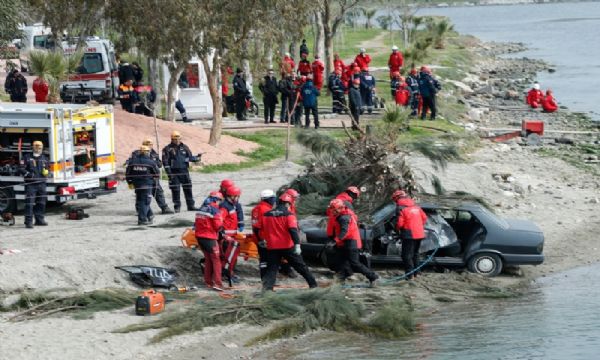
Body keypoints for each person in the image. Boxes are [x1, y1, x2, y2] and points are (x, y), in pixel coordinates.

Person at [259, 193, 318, 291]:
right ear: (288, 204)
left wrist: (263, 240)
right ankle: (313, 284)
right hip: (287, 246)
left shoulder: (266, 215)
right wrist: (297, 245)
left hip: (272, 247)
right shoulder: (289, 215)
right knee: (301, 267)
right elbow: (293, 230)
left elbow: (260, 229)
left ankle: (267, 290)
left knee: (272, 270)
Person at [327, 199, 379, 286]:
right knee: (342, 261)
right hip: (347, 242)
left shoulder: (343, 218)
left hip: (350, 242)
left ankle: (373, 277)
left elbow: (345, 232)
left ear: (339, 209)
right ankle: (341, 278)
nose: (332, 211)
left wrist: (335, 241)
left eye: (333, 209)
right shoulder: (345, 215)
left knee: (354, 263)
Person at [130, 138, 174, 214]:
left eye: (150, 145)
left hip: (153, 177)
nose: (149, 146)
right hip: (142, 178)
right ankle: (140, 210)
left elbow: (159, 164)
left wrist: (154, 163)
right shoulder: (136, 153)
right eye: (147, 145)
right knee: (141, 195)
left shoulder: (154, 153)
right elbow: (133, 163)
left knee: (159, 192)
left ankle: (164, 207)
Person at [393, 190, 428, 280]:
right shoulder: (416, 207)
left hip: (409, 234)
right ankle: (417, 273)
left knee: (406, 255)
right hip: (420, 233)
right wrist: (418, 226)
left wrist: (396, 229)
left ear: (397, 198)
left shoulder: (400, 208)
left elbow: (400, 223)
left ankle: (410, 275)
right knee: (415, 253)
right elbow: (424, 218)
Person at [162, 131, 199, 212]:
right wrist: (169, 173)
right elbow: (165, 162)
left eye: (179, 138)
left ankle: (191, 205)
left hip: (184, 171)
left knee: (188, 188)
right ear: (172, 139)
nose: (177, 140)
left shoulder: (185, 147)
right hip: (174, 172)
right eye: (175, 139)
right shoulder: (167, 149)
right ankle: (177, 207)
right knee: (175, 190)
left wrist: (196, 158)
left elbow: (189, 157)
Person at [195, 191, 225, 290]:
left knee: (208, 259)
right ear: (217, 200)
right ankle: (218, 283)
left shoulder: (201, 208)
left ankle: (208, 282)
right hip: (209, 238)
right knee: (216, 260)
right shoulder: (214, 209)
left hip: (199, 237)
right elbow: (218, 226)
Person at [126, 145, 159, 225]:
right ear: (147, 152)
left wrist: (130, 183)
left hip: (137, 185)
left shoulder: (132, 162)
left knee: (141, 201)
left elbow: (127, 174)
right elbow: (157, 174)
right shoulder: (151, 162)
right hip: (147, 185)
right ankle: (142, 219)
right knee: (146, 202)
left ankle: (150, 215)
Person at [20, 141, 49, 228]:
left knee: (41, 203)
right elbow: (21, 169)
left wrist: (47, 172)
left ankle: (39, 220)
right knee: (29, 203)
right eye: (36, 147)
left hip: (42, 183)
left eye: (40, 147)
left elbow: (47, 168)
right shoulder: (26, 157)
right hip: (30, 184)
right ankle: (28, 222)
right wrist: (30, 175)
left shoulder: (44, 158)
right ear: (33, 147)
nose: (38, 149)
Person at [252, 189, 277, 278]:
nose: (274, 200)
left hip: (257, 238)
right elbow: (260, 227)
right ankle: (267, 277)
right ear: (268, 199)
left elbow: (255, 226)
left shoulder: (256, 208)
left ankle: (264, 276)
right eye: (273, 198)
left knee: (262, 260)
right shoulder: (266, 210)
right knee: (269, 259)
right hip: (265, 239)